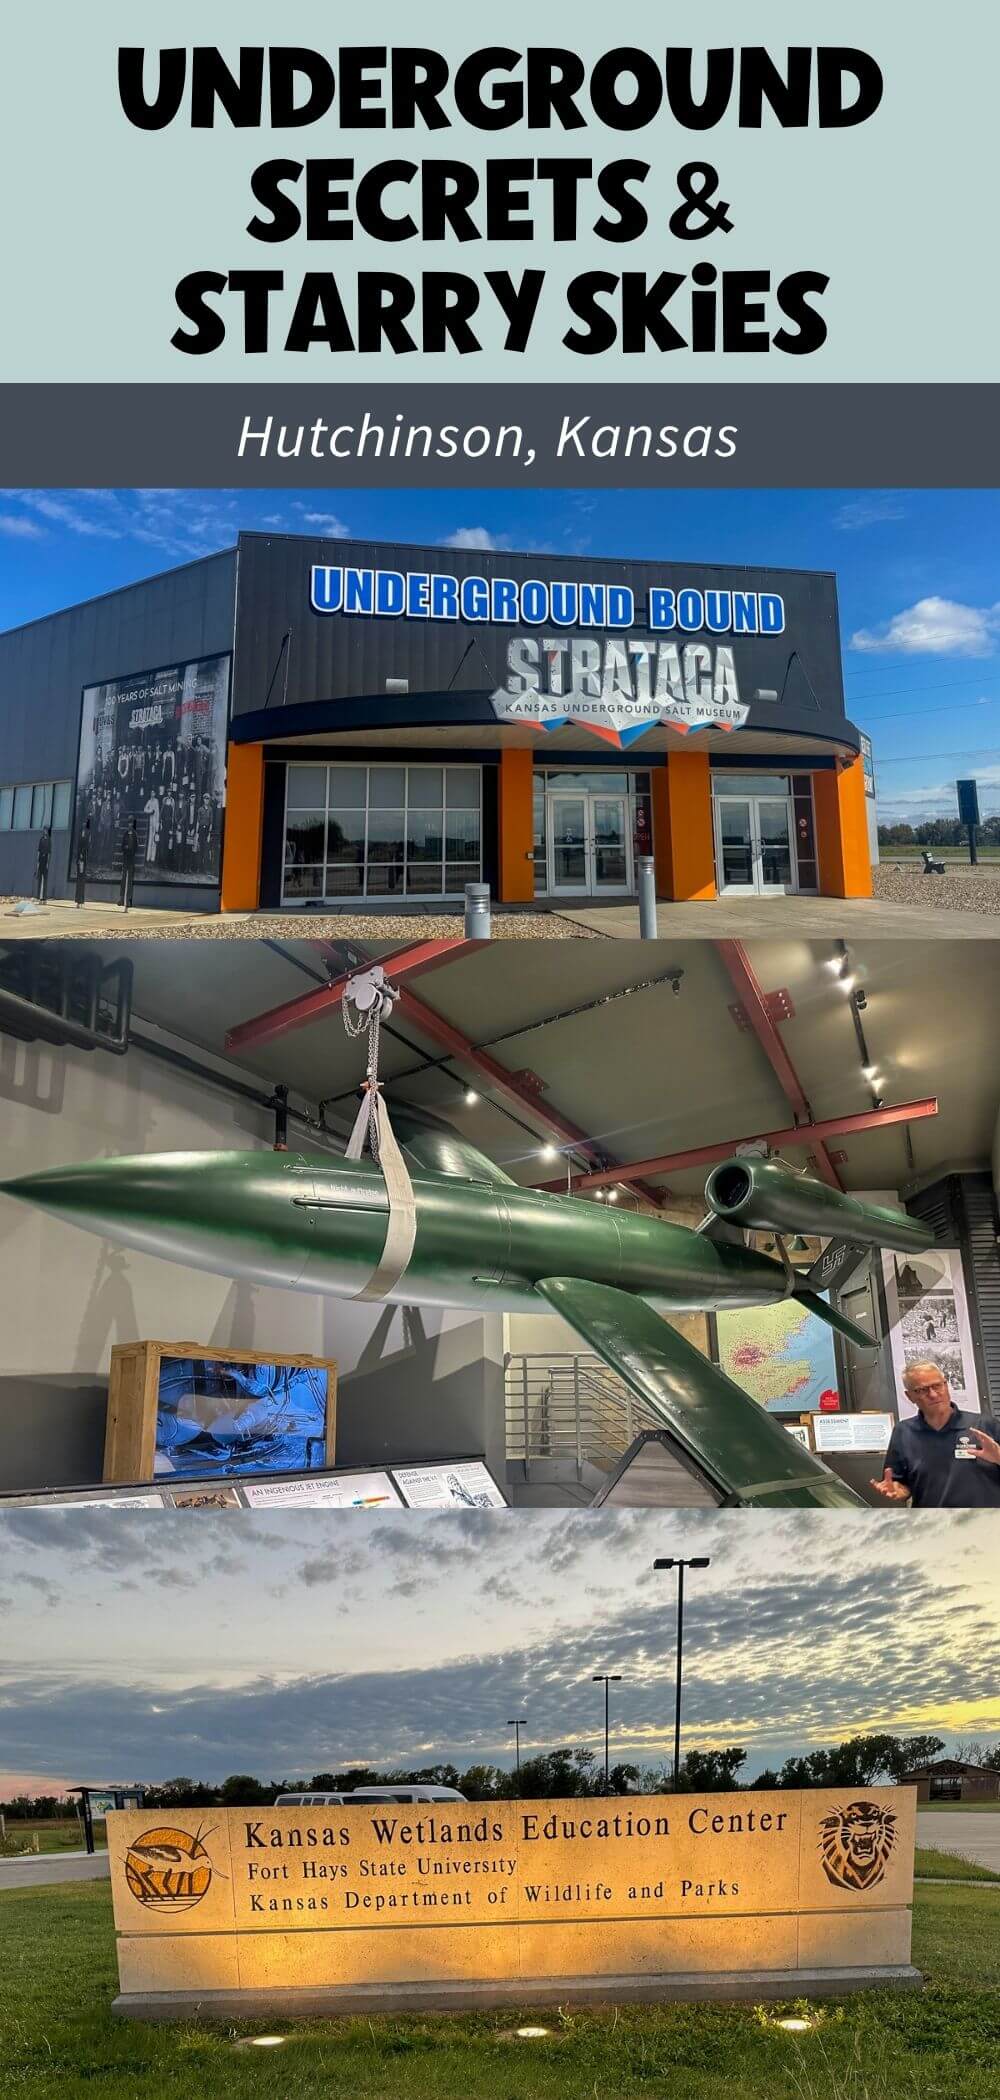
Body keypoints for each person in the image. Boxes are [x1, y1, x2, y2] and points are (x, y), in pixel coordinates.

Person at [871, 1362, 1000, 1508]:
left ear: (946, 1385)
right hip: (932, 1525)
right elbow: (900, 1484)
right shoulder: (903, 1431)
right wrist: (899, 1491)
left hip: (985, 1524)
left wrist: (998, 1456)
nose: (932, 1394)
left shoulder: (984, 1425)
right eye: (922, 1390)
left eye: (937, 1386)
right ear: (909, 1396)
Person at [119, 816, 139, 910]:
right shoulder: (125, 834)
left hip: (131, 860)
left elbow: (136, 847)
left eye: (131, 823)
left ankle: (129, 900)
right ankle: (121, 899)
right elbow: (122, 846)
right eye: (129, 823)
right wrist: (125, 849)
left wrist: (131, 852)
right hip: (125, 859)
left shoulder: (135, 834)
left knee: (130, 881)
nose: (130, 825)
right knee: (123, 880)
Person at [74, 819, 91, 908]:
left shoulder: (88, 833)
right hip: (80, 859)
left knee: (82, 880)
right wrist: (78, 857)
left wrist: (83, 856)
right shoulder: (80, 833)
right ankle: (78, 900)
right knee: (79, 879)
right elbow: (78, 846)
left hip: (84, 859)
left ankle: (81, 900)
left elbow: (87, 847)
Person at [34, 825, 51, 903]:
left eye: (46, 830)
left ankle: (44, 898)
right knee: (40, 879)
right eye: (44, 830)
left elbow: (49, 853)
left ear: (47, 831)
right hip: (41, 861)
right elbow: (38, 851)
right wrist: (37, 861)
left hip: (45, 861)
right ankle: (39, 897)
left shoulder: (49, 840)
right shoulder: (41, 840)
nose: (44, 831)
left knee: (45, 880)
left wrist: (47, 863)